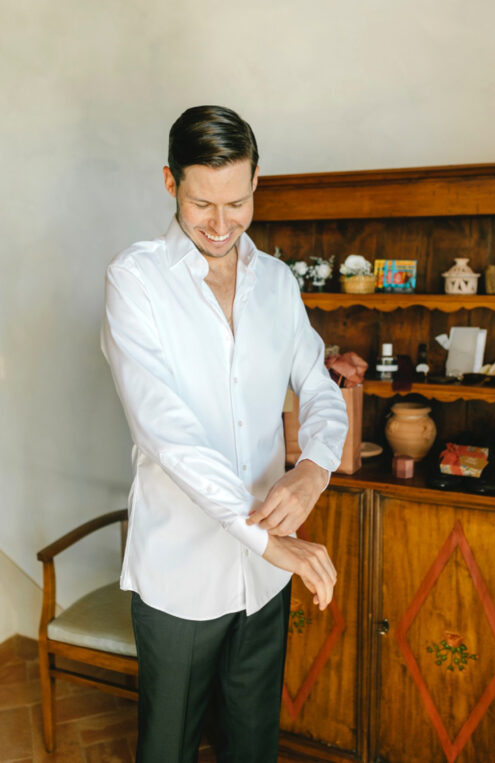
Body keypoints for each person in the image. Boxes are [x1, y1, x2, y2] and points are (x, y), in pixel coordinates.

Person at [101, 105, 350, 761]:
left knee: (252, 745)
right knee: (168, 749)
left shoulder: (278, 282)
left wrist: (313, 467)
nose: (219, 224)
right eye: (201, 203)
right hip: (181, 572)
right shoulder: (136, 281)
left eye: (236, 202)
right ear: (170, 182)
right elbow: (169, 436)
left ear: (256, 183)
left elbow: (319, 384)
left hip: (262, 579)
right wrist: (268, 536)